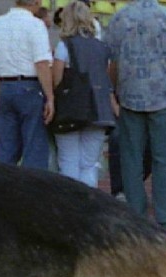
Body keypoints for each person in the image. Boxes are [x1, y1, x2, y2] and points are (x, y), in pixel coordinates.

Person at [105, 0, 166, 233]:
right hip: (164, 95)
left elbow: (112, 63)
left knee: (131, 159)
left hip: (130, 95)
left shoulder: (119, 18)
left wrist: (114, 91)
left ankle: (135, 215)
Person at [51, 0, 115, 187]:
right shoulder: (102, 48)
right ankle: (89, 205)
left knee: (68, 160)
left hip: (70, 109)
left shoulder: (65, 46)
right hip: (99, 109)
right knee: (89, 164)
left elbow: (57, 79)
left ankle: (71, 207)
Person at [0, 0, 54, 170]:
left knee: (6, 149)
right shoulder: (35, 25)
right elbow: (41, 63)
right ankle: (32, 193)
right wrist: (50, 97)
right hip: (30, 86)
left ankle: (4, 192)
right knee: (34, 147)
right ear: (36, 2)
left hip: (6, 86)